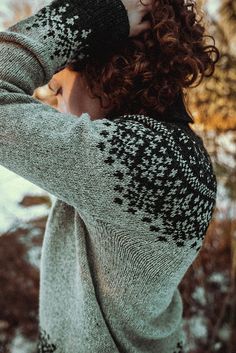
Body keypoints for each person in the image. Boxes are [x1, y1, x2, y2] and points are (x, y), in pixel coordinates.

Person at [0, 0, 219, 352]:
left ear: (106, 70)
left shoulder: (139, 157)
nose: (56, 106)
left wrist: (89, 17)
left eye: (58, 90)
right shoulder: (170, 150)